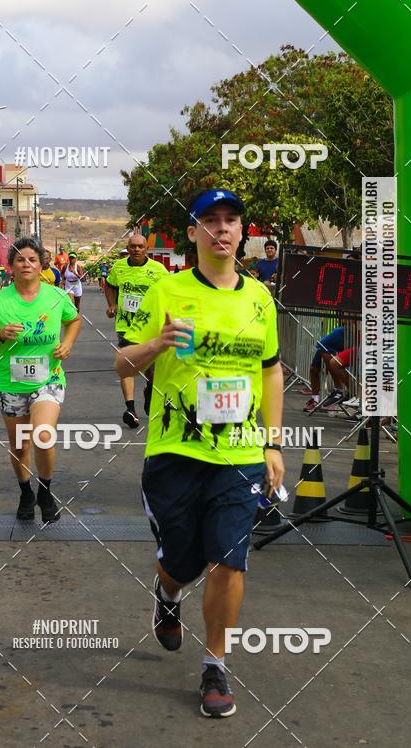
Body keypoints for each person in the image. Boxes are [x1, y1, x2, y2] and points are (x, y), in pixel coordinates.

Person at [116, 188, 284, 718]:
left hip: (239, 455)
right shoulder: (166, 290)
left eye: (231, 220)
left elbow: (272, 369)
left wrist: (273, 441)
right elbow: (122, 365)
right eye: (209, 220)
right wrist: (156, 344)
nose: (222, 229)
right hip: (175, 451)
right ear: (193, 234)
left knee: (228, 562)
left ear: (242, 233)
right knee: (184, 561)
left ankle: (215, 663)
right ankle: (167, 594)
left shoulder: (259, 298)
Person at [0, 237, 81, 523]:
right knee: (20, 445)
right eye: (20, 259)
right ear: (11, 265)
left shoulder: (56, 297)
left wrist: (68, 343)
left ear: (41, 265)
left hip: (49, 379)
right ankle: (26, 492)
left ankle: (45, 490)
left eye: (32, 259)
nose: (26, 264)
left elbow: (74, 320)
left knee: (43, 435)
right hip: (11, 384)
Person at [105, 235, 168, 428]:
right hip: (127, 326)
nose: (136, 250)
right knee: (128, 364)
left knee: (153, 369)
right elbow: (109, 284)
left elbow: (169, 293)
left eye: (140, 246)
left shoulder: (158, 270)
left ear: (146, 248)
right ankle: (130, 409)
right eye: (132, 246)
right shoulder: (119, 267)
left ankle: (150, 388)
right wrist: (112, 304)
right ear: (128, 248)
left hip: (151, 327)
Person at [302, 324, 345, 412]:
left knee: (329, 358)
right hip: (332, 340)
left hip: (352, 334)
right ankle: (315, 399)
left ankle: (339, 390)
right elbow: (320, 344)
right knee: (314, 369)